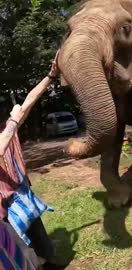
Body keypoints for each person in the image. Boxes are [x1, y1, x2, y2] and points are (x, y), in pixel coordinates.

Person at [0, 52, 64, 269]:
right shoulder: (9, 127)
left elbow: (29, 100)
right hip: (5, 209)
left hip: (23, 195)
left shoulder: (9, 126)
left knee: (42, 245)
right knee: (22, 257)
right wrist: (13, 120)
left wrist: (50, 77)